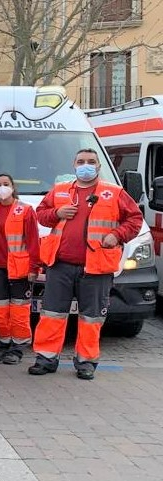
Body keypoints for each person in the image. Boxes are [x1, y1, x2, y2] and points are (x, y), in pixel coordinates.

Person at [30, 149, 143, 380]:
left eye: (91, 162)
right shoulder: (60, 191)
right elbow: (41, 214)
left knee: (91, 318)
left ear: (99, 166)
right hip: (60, 264)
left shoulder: (114, 192)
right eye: (81, 161)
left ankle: (86, 362)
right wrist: (57, 212)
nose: (85, 165)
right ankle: (45, 358)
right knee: (52, 314)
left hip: (96, 267)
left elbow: (135, 219)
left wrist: (117, 235)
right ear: (74, 164)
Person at [0, 174, 40, 364]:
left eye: (6, 184)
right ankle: (2, 344)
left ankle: (17, 349)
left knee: (19, 312)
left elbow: (33, 242)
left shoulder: (25, 210)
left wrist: (34, 268)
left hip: (19, 269)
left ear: (13, 186)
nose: (2, 188)